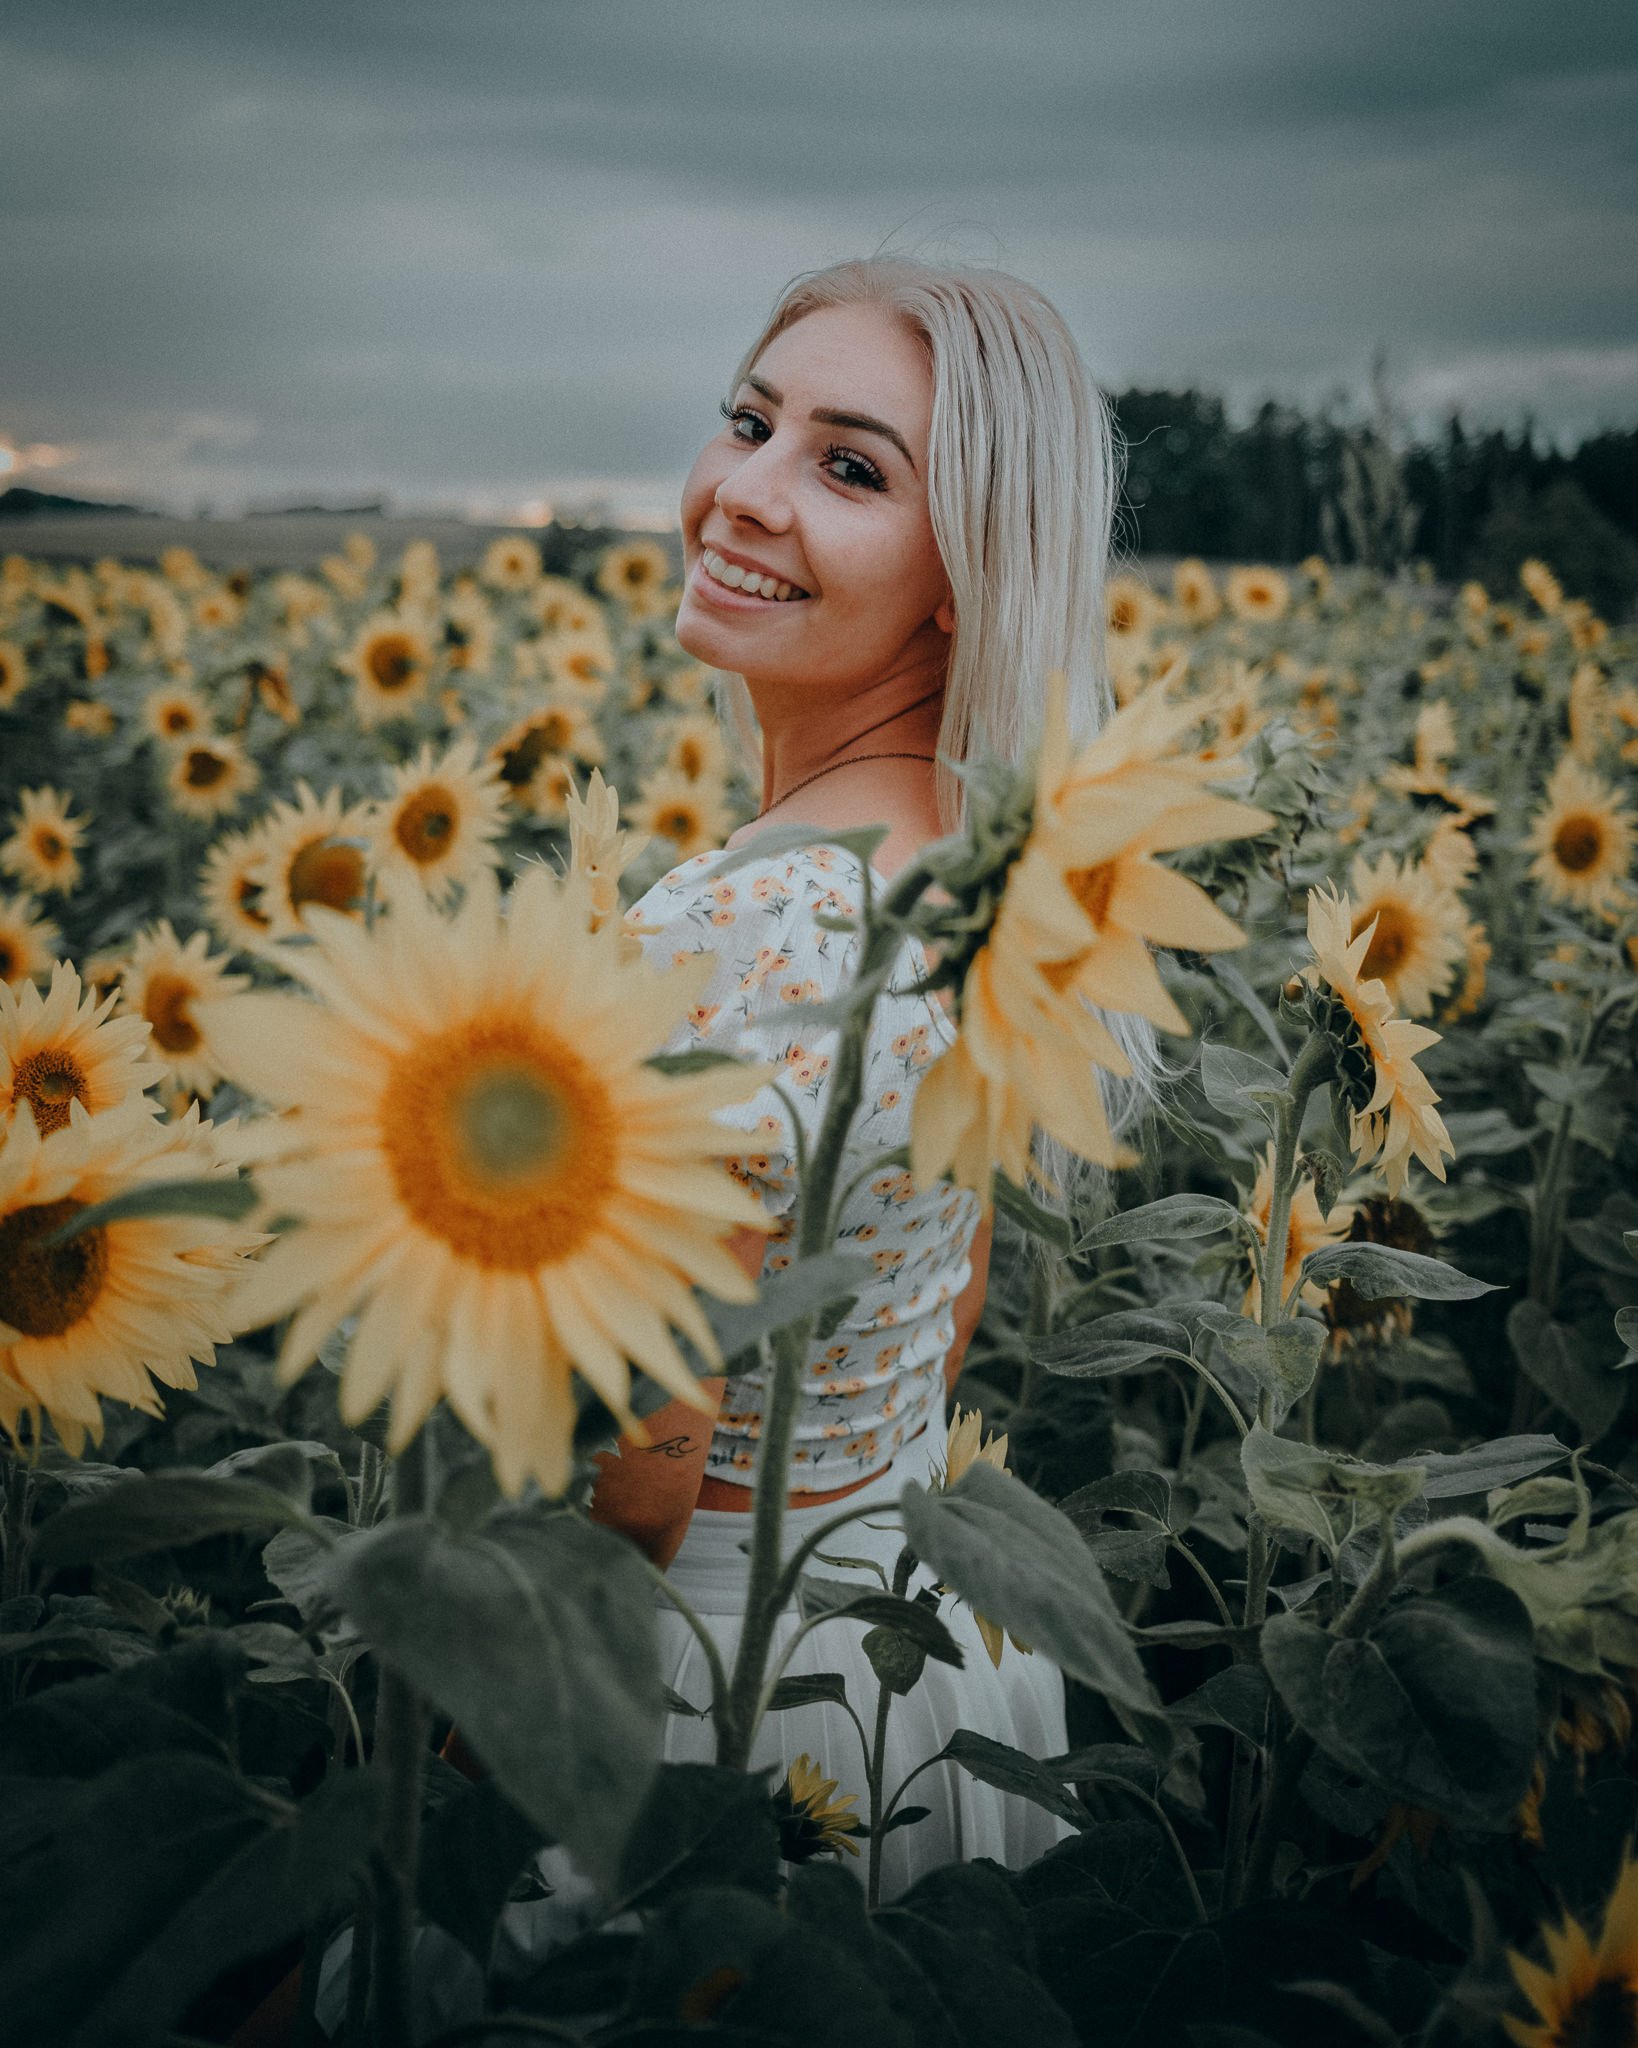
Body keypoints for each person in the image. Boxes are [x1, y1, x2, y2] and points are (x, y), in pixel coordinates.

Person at [310, 251, 1162, 2040]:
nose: (746, 491)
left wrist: (472, 1752)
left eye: (852, 468)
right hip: (903, 1663)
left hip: (691, 1683)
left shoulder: (748, 928)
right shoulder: (996, 872)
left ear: (964, 576)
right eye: (750, 419)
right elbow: (946, 1296)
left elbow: (644, 1463)